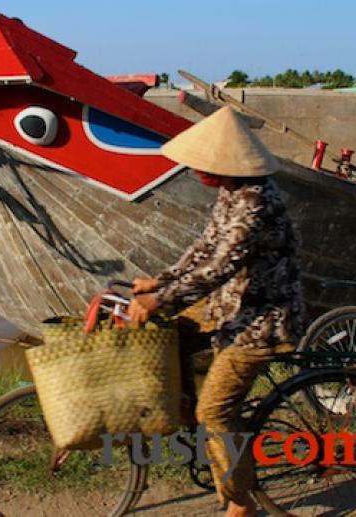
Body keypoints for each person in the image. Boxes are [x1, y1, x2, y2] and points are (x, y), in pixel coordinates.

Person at [128, 106, 305, 517]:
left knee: (216, 411)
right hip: (233, 305)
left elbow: (221, 266)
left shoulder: (255, 202)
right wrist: (161, 279)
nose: (198, 172)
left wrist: (163, 299)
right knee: (170, 334)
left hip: (264, 321)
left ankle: (241, 503)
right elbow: (205, 248)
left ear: (223, 163)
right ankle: (188, 413)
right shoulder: (232, 192)